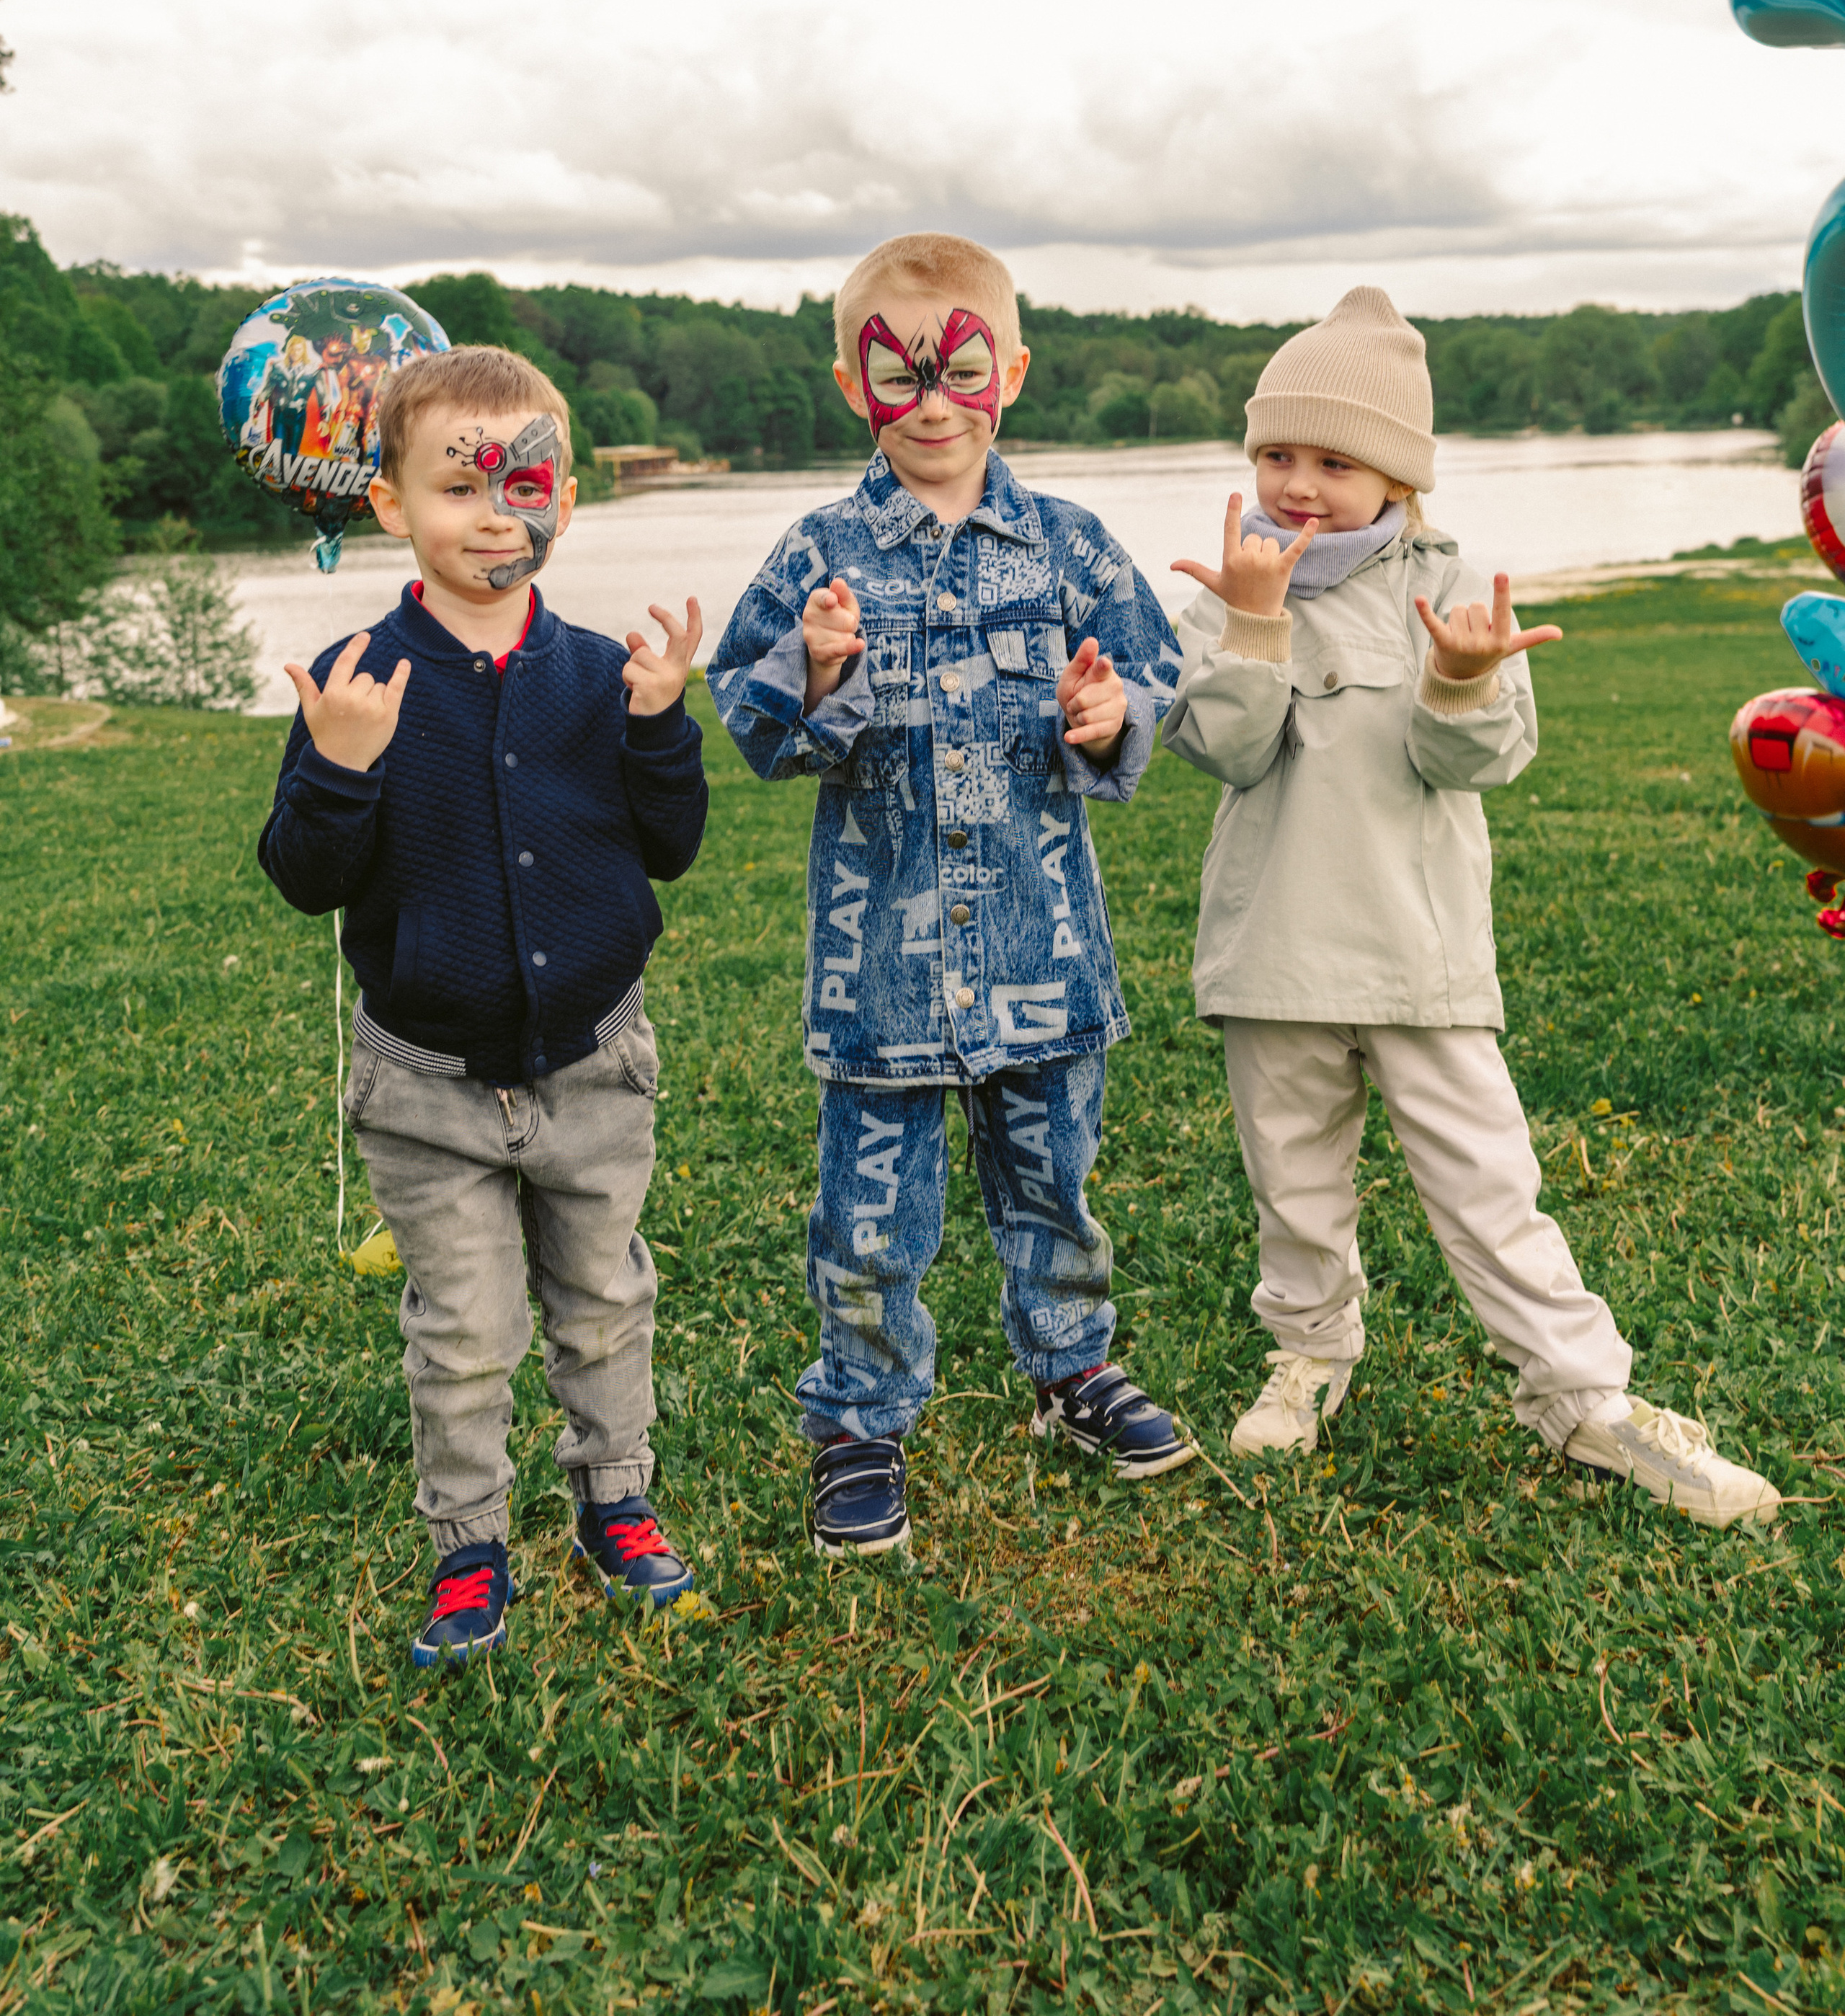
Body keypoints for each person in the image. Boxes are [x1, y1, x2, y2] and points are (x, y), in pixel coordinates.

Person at [1162, 285, 1778, 1527]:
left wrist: (1459, 679)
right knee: (1293, 1185)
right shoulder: (1233, 590)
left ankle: (1584, 1396)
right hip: (1273, 951)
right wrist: (1256, 624)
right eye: (1278, 455)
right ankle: (1311, 1351)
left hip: (1418, 958)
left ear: (1397, 475)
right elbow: (1225, 749)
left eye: (1334, 462)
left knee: (1491, 1187)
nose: (1298, 484)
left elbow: (1481, 761)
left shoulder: (1448, 587)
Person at [707, 231, 1195, 1561]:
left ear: (1011, 375)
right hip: (883, 971)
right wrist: (816, 671)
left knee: (1055, 1185)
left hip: (1044, 952)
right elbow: (750, 717)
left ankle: (1073, 1367)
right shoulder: (819, 554)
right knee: (871, 1217)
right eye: (899, 374)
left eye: (962, 371)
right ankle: (862, 1418)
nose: (932, 404)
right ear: (851, 384)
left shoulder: (1070, 547)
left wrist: (1109, 715)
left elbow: (1152, 678)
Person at [259, 345, 710, 1664]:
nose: (497, 515)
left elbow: (672, 845)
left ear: (565, 496)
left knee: (604, 1299)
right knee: (463, 1332)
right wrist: (340, 769)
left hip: (595, 1065)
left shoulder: (597, 671)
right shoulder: (354, 678)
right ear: (391, 503)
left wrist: (660, 726)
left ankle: (615, 1500)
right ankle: (469, 1544)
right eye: (460, 487)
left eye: (526, 484)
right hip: (426, 1080)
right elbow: (303, 879)